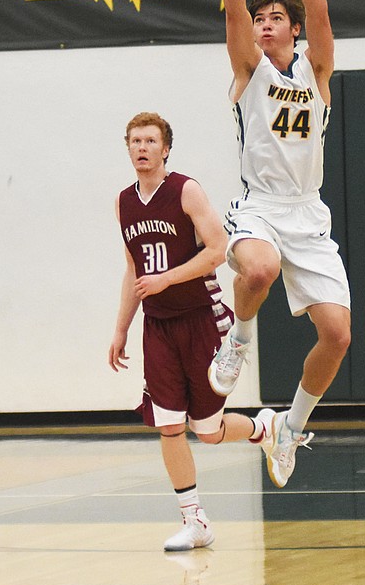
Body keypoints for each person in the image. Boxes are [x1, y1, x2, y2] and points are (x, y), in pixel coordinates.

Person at [205, 0, 350, 488]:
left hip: (308, 213)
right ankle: (237, 341)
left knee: (337, 335)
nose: (264, 25)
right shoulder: (250, 73)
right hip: (259, 204)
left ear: (292, 29)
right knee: (259, 270)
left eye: (275, 19)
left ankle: (288, 427)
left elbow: (320, 15)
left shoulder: (316, 73)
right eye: (260, 18)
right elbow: (234, 19)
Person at [108, 112, 280, 551]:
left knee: (207, 431)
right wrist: (121, 328)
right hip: (158, 327)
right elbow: (133, 270)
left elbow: (220, 251)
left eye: (150, 141)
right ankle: (194, 519)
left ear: (166, 148)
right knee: (167, 426)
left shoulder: (186, 190)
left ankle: (263, 430)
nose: (142, 148)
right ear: (127, 148)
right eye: (135, 141)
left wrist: (167, 278)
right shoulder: (124, 202)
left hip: (202, 319)